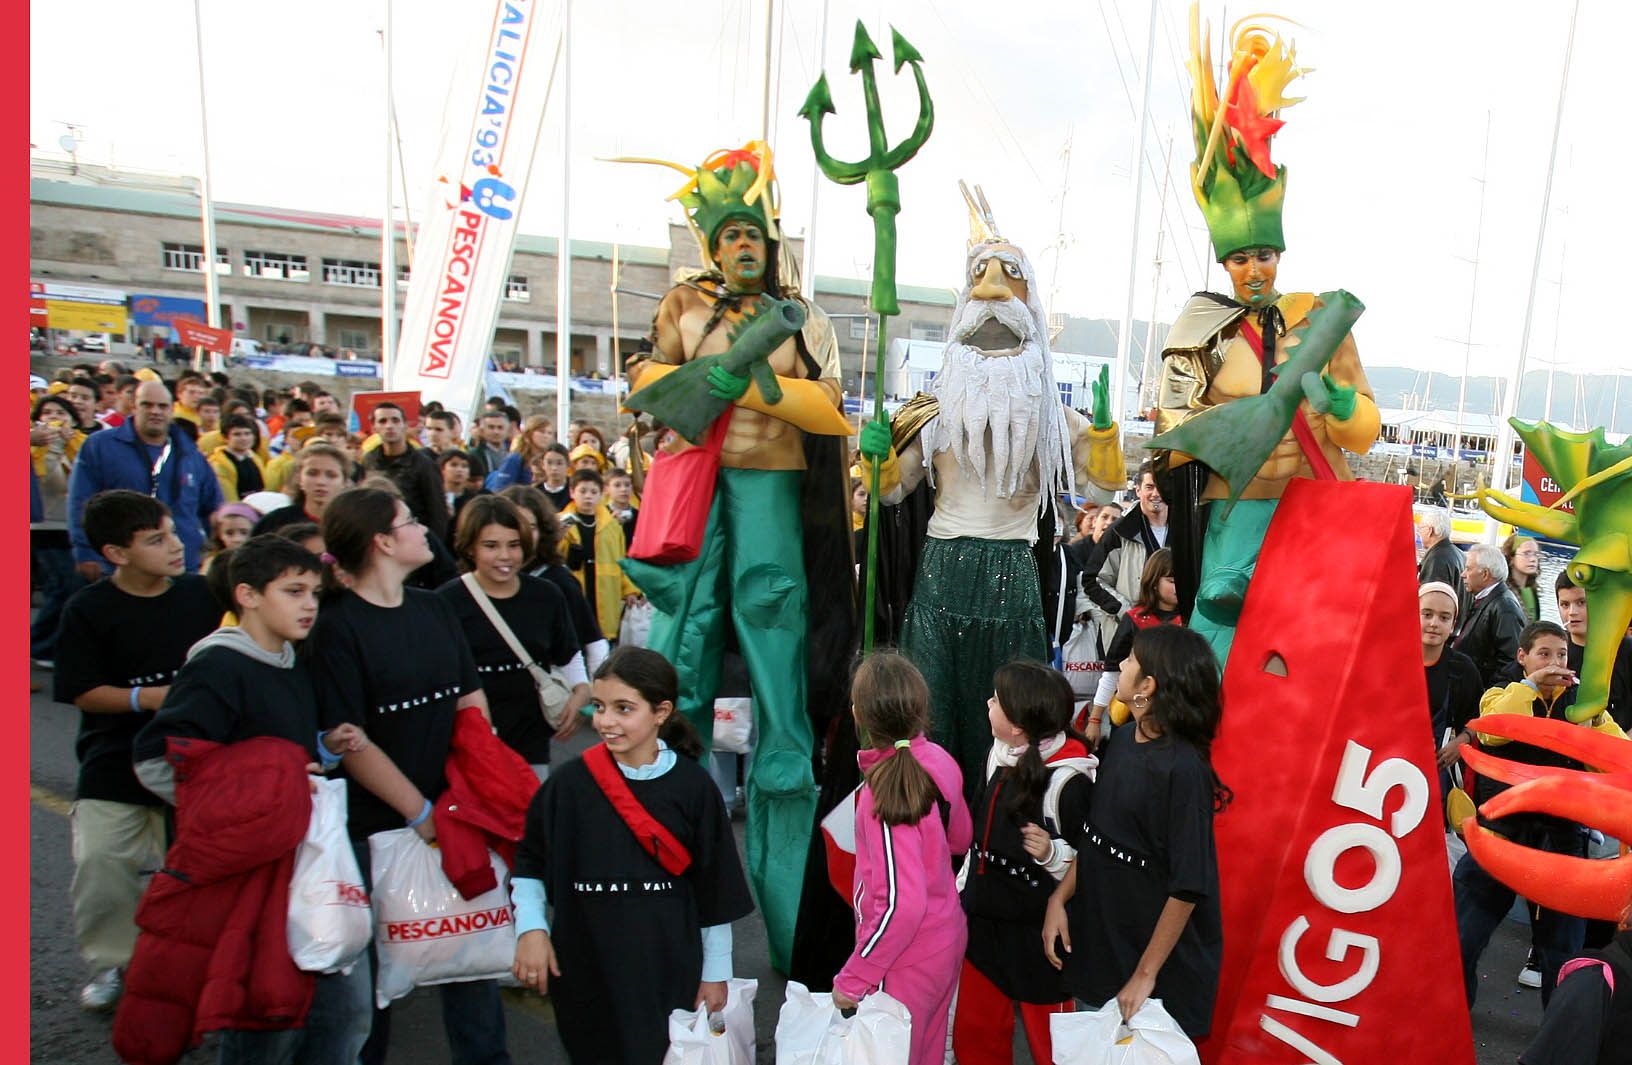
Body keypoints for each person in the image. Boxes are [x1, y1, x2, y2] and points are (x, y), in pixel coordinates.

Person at [618, 141, 857, 969]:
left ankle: (799, 950)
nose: (745, 246)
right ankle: (657, 918)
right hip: (697, 501)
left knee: (783, 704)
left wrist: (752, 383)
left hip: (773, 499)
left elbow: (831, 411)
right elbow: (648, 388)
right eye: (732, 236)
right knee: (675, 671)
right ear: (712, 245)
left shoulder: (805, 316)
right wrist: (719, 372)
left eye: (756, 232)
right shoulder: (683, 304)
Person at [856, 189, 1123, 791]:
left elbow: (1103, 484)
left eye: (1010, 277)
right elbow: (892, 493)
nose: (994, 290)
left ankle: (998, 830)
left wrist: (1105, 432)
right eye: (980, 276)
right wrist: (875, 459)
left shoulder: (1056, 418)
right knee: (934, 705)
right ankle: (927, 817)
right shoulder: (930, 413)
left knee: (1012, 710)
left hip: (1011, 570)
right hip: (943, 566)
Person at [1148, 26, 1378, 667]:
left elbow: (1364, 430)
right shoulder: (1199, 325)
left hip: (1318, 501)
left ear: (1280, 255)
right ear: (1226, 263)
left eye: (1266, 256)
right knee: (1220, 639)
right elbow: (1175, 429)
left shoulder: (1323, 319)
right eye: (1243, 258)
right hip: (1237, 508)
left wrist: (1338, 405)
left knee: (1318, 652)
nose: (1256, 270)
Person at [129, 535, 373, 1064]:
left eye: (314, 591)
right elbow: (156, 760)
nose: (310, 604)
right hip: (249, 877)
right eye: (293, 591)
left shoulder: (290, 659)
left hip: (303, 864)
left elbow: (277, 754)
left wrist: (321, 749)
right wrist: (251, 809)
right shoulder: (217, 666)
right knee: (263, 1016)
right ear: (248, 594)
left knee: (342, 1015)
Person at [305, 487, 512, 1065]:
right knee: (376, 984)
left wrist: (471, 789)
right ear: (382, 541)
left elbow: (470, 700)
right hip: (373, 830)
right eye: (411, 521)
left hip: (455, 812)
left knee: (469, 958)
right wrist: (420, 813)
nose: (423, 529)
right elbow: (351, 742)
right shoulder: (336, 627)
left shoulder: (433, 607)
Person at [508, 647, 751, 1062]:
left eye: (624, 708)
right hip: (584, 966)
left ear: (661, 712)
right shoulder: (568, 786)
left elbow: (715, 890)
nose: (606, 720)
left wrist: (716, 972)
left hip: (667, 968)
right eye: (600, 707)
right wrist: (530, 930)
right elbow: (530, 862)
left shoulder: (694, 788)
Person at [52, 491, 220, 1011]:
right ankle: (112, 963)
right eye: (157, 540)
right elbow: (81, 690)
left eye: (173, 532)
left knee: (201, 871)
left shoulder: (203, 596)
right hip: (114, 760)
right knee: (101, 862)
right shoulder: (87, 609)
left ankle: (200, 965)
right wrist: (149, 697)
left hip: (197, 760)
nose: (176, 546)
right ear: (116, 553)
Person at [1044, 625, 1226, 1040]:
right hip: (1101, 948)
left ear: (1148, 685)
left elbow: (1188, 885)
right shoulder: (1123, 740)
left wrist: (1145, 975)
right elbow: (1097, 834)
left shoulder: (1184, 771)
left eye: (1129, 661)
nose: (1119, 665)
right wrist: (1060, 897)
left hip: (1154, 978)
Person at [1455, 620, 1627, 1007]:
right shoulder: (1501, 693)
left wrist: (1594, 720)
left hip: (1563, 842)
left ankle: (1559, 1040)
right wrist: (1531, 686)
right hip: (1499, 837)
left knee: (1563, 955)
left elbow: (1617, 762)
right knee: (1463, 940)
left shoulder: (1585, 705)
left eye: (1562, 654)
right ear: (1523, 657)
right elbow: (1495, 731)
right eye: (1544, 654)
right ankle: (1454, 1022)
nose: (1555, 663)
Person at [833, 652, 973, 1065]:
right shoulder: (939, 761)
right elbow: (960, 837)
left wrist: (854, 978)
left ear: (858, 714)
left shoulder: (884, 791)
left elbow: (899, 905)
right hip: (944, 939)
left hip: (904, 958)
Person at [954, 662, 1095, 1065]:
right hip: (981, 930)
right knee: (975, 1039)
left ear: (1017, 724)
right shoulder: (997, 756)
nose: (988, 703)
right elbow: (978, 844)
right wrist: (960, 895)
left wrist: (1053, 854)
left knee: (1055, 1050)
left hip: (1041, 944)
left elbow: (1092, 867)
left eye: (996, 700)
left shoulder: (1070, 782)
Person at [438, 496, 590, 777]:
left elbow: (567, 654)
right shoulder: (446, 602)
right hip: (468, 747)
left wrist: (581, 692)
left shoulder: (547, 595)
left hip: (531, 741)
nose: (505, 556)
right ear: (470, 547)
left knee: (530, 817)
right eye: (491, 546)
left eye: (514, 545)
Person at [68, 378, 223, 578]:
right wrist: (85, 552)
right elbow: (80, 501)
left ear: (172, 409)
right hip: (121, 567)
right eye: (147, 405)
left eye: (162, 406)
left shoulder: (190, 453)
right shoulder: (99, 446)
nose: (155, 411)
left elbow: (213, 506)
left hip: (183, 565)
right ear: (133, 406)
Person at [501, 485, 610, 674]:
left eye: (531, 526)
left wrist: (593, 695)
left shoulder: (558, 581)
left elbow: (593, 642)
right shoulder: (482, 580)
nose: (522, 534)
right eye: (513, 526)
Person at [1086, 547, 1184, 750]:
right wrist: (1095, 719)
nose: (1179, 587)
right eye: (1172, 581)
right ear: (1154, 581)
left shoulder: (1193, 619)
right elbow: (1112, 671)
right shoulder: (1134, 619)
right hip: (1133, 716)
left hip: (1178, 715)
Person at [31, 394, 88, 666]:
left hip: (73, 524)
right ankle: (40, 644)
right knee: (61, 585)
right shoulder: (35, 450)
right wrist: (55, 447)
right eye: (48, 412)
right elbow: (51, 482)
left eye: (61, 413)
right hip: (45, 525)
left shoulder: (81, 445)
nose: (54, 418)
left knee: (69, 585)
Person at [1419, 581, 1484, 803]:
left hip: (1436, 770)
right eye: (1427, 614)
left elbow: (1480, 718)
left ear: (1453, 624)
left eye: (1444, 617)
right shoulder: (1392, 660)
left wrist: (1462, 740)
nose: (1434, 624)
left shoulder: (1462, 669)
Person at [560, 468, 641, 644]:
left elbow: (620, 560)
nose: (588, 496)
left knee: (602, 642)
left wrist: (629, 590)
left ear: (602, 493)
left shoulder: (611, 525)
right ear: (572, 492)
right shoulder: (562, 522)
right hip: (575, 587)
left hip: (605, 590)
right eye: (583, 491)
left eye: (593, 492)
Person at [361, 402, 447, 543]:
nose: (389, 426)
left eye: (395, 420)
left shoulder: (424, 464)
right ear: (374, 428)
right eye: (382, 421)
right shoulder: (369, 460)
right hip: (378, 539)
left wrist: (432, 548)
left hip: (413, 541)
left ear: (405, 425)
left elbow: (437, 513)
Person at [1455, 542, 1529, 687]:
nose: (1463, 574)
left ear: (1485, 574)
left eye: (1468, 569)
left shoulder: (1504, 607)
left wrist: (1487, 693)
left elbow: (1511, 661)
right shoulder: (1488, 599)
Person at [254, 442, 349, 536]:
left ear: (344, 482)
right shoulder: (274, 523)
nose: (321, 482)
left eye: (331, 475)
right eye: (312, 473)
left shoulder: (353, 524)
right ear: (299, 478)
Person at [484, 414, 556, 494]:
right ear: (529, 433)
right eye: (541, 431)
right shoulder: (515, 459)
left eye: (549, 433)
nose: (546, 436)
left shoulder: (551, 460)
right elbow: (501, 489)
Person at [208, 413, 266, 502]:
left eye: (247, 433)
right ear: (225, 438)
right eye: (237, 434)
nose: (244, 438)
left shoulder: (255, 459)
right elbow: (228, 499)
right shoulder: (219, 464)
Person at [1416, 506, 1465, 607]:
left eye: (1420, 528)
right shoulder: (1460, 554)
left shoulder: (1436, 559)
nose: (1419, 532)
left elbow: (1432, 599)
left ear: (1430, 531)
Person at [204, 502, 258, 572]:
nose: (237, 539)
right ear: (219, 535)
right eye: (229, 533)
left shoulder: (262, 560)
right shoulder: (212, 564)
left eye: (244, 532)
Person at [466, 409, 513, 484]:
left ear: (507, 431)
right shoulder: (474, 455)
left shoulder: (514, 454)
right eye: (491, 427)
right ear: (482, 430)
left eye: (500, 427)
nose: (496, 432)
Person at [440, 449, 482, 530]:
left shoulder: (474, 500)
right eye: (453, 465)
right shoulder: (434, 497)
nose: (459, 470)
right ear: (442, 469)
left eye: (464, 466)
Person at [1506, 534, 1544, 623]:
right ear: (1511, 558)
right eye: (1526, 553)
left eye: (1536, 554)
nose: (1533, 559)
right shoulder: (1504, 592)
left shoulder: (1531, 591)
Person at [604, 466, 638, 547]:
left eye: (627, 485)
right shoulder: (602, 514)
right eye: (617, 485)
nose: (623, 489)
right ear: (606, 489)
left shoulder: (639, 515)